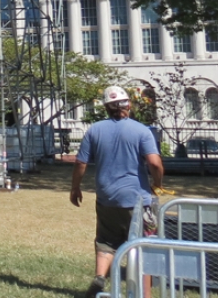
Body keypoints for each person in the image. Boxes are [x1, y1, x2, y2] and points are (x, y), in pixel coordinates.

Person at [72, 86, 165, 298]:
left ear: (106, 107)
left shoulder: (94, 130)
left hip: (107, 197)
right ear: (129, 105)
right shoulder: (142, 131)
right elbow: (155, 163)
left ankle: (99, 277)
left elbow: (80, 163)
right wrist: (157, 183)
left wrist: (75, 187)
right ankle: (145, 294)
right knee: (143, 246)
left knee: (106, 240)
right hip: (137, 199)